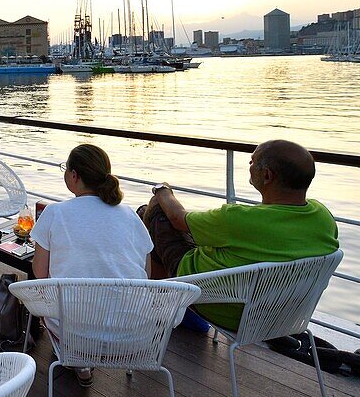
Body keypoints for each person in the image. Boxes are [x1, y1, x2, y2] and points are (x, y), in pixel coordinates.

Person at [142, 139, 339, 331]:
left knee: (153, 211)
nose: (250, 165)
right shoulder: (323, 217)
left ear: (267, 176)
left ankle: (161, 311)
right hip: (278, 316)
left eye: (252, 162)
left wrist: (162, 190)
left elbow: (177, 218)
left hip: (220, 307)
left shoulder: (238, 219)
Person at [30, 144, 153, 386]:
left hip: (75, 333)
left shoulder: (55, 212)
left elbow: (40, 274)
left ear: (74, 176)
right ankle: (82, 362)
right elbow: (144, 274)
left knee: (52, 303)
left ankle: (80, 360)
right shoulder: (130, 215)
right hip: (133, 333)